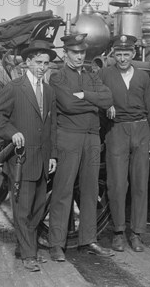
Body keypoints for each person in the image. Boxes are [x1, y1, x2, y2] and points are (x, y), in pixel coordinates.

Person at [0, 40, 58, 272]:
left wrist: (53, 156)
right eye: (38, 62)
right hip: (21, 160)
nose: (42, 67)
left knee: (38, 208)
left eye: (46, 63)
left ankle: (25, 247)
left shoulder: (49, 91)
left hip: (42, 159)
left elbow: (52, 126)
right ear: (28, 62)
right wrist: (13, 133)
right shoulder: (15, 88)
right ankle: (29, 254)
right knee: (22, 209)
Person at [48, 33, 114, 261]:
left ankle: (89, 239)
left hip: (92, 138)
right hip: (68, 137)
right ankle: (57, 243)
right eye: (74, 52)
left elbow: (108, 99)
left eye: (82, 52)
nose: (79, 56)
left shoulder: (91, 75)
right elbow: (67, 104)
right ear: (65, 53)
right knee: (63, 190)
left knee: (90, 190)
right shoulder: (57, 77)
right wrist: (93, 103)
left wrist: (85, 95)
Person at [99, 35, 150, 252]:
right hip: (116, 130)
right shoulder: (105, 74)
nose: (123, 58)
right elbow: (96, 97)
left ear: (133, 54)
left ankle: (136, 233)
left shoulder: (142, 77)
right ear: (113, 55)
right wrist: (106, 106)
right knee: (116, 184)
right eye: (119, 54)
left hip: (141, 130)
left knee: (140, 183)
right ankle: (118, 231)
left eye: (127, 54)